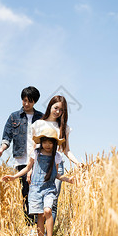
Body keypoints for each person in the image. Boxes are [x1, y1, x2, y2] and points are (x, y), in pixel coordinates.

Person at [2, 128, 74, 236]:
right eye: (45, 142)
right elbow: (28, 168)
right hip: (35, 188)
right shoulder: (35, 153)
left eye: (50, 142)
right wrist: (14, 177)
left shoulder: (57, 156)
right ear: (41, 142)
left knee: (48, 210)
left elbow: (56, 174)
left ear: (55, 143)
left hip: (49, 188)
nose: (47, 145)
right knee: (39, 215)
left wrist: (68, 179)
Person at [0, 86, 43, 225]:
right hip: (21, 159)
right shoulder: (14, 116)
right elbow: (7, 137)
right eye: (24, 100)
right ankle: (29, 223)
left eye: (30, 101)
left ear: (35, 102)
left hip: (38, 158)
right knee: (25, 191)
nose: (26, 104)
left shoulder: (41, 117)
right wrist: (1, 149)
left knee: (37, 190)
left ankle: (38, 223)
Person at [31, 95, 82, 224]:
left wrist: (77, 163)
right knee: (39, 202)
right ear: (50, 106)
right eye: (56, 108)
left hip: (56, 165)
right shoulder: (38, 124)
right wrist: (29, 170)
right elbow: (33, 149)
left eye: (61, 110)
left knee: (52, 201)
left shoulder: (64, 128)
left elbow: (66, 150)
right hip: (39, 166)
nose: (58, 112)